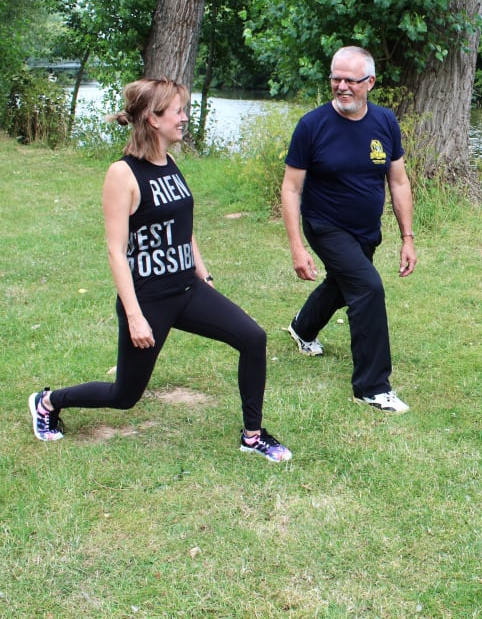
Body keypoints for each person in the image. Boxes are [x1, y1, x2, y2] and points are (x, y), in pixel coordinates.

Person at [28, 78, 291, 462]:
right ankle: (48, 402)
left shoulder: (169, 162)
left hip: (187, 289)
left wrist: (204, 275)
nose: (184, 118)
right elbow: (116, 251)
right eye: (177, 111)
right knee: (124, 395)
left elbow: (184, 226)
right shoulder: (123, 174)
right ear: (153, 119)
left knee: (253, 337)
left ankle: (252, 436)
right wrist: (135, 316)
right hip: (149, 299)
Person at [281, 46, 416, 413]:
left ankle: (302, 328)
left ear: (369, 82)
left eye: (350, 80)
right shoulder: (312, 126)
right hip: (324, 225)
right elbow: (291, 188)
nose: (341, 87)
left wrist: (407, 238)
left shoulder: (385, 122)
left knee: (343, 285)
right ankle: (372, 387)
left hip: (365, 231)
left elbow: (398, 182)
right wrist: (297, 246)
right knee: (367, 288)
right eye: (335, 79)